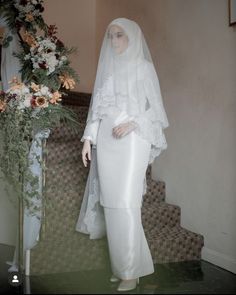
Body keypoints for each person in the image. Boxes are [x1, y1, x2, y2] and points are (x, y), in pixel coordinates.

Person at [76, 18, 169, 292]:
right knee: (112, 205)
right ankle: (126, 268)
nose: (114, 41)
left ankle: (130, 271)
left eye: (119, 36)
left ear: (132, 38)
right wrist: (88, 139)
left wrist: (133, 123)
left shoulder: (144, 68)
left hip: (132, 142)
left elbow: (158, 111)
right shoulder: (109, 72)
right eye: (111, 36)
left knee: (127, 203)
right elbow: (97, 110)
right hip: (106, 141)